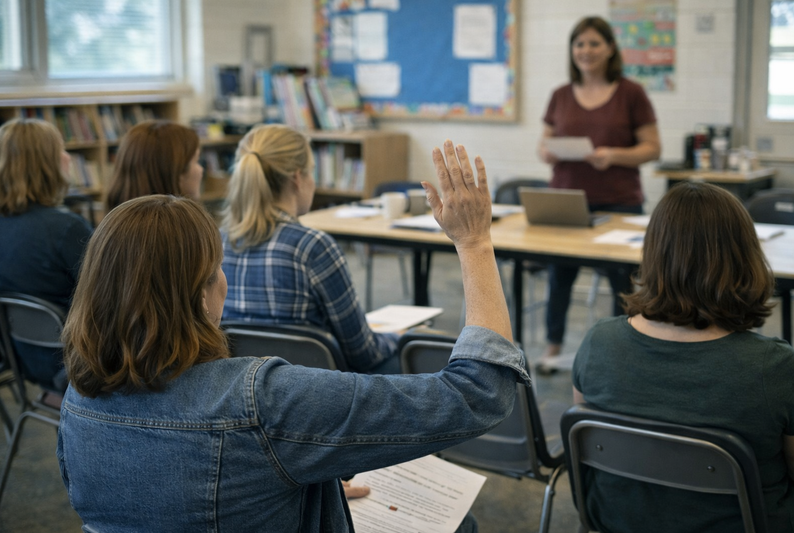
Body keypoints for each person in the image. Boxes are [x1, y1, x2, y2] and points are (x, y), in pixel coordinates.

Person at [58, 140, 527, 532]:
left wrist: (298, 473)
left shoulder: (77, 398)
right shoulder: (267, 402)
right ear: (201, 296)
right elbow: (480, 392)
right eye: (216, 270)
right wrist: (474, 242)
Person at [573, 182, 794, 532]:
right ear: (746, 257)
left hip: (617, 522)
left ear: (653, 254)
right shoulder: (776, 368)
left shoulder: (599, 342)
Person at [220, 124, 398, 373]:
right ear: (296, 178)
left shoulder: (217, 243)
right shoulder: (313, 247)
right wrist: (400, 338)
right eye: (312, 172)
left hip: (243, 392)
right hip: (310, 394)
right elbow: (363, 354)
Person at [537, 16, 661, 366]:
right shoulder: (560, 94)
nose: (586, 51)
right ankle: (553, 347)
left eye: (594, 43)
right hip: (565, 201)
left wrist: (614, 155)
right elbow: (543, 143)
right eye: (579, 44)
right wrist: (546, 151)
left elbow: (652, 148)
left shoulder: (631, 92)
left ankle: (621, 352)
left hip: (618, 203)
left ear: (610, 48)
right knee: (559, 279)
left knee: (622, 283)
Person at [0, 118, 92, 390]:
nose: (68, 157)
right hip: (73, 362)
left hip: (18, 357)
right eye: (60, 149)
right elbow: (113, 292)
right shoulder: (64, 228)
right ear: (44, 164)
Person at [105, 120, 203, 211]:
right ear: (174, 171)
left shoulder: (115, 224)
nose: (201, 170)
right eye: (196, 161)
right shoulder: (178, 227)